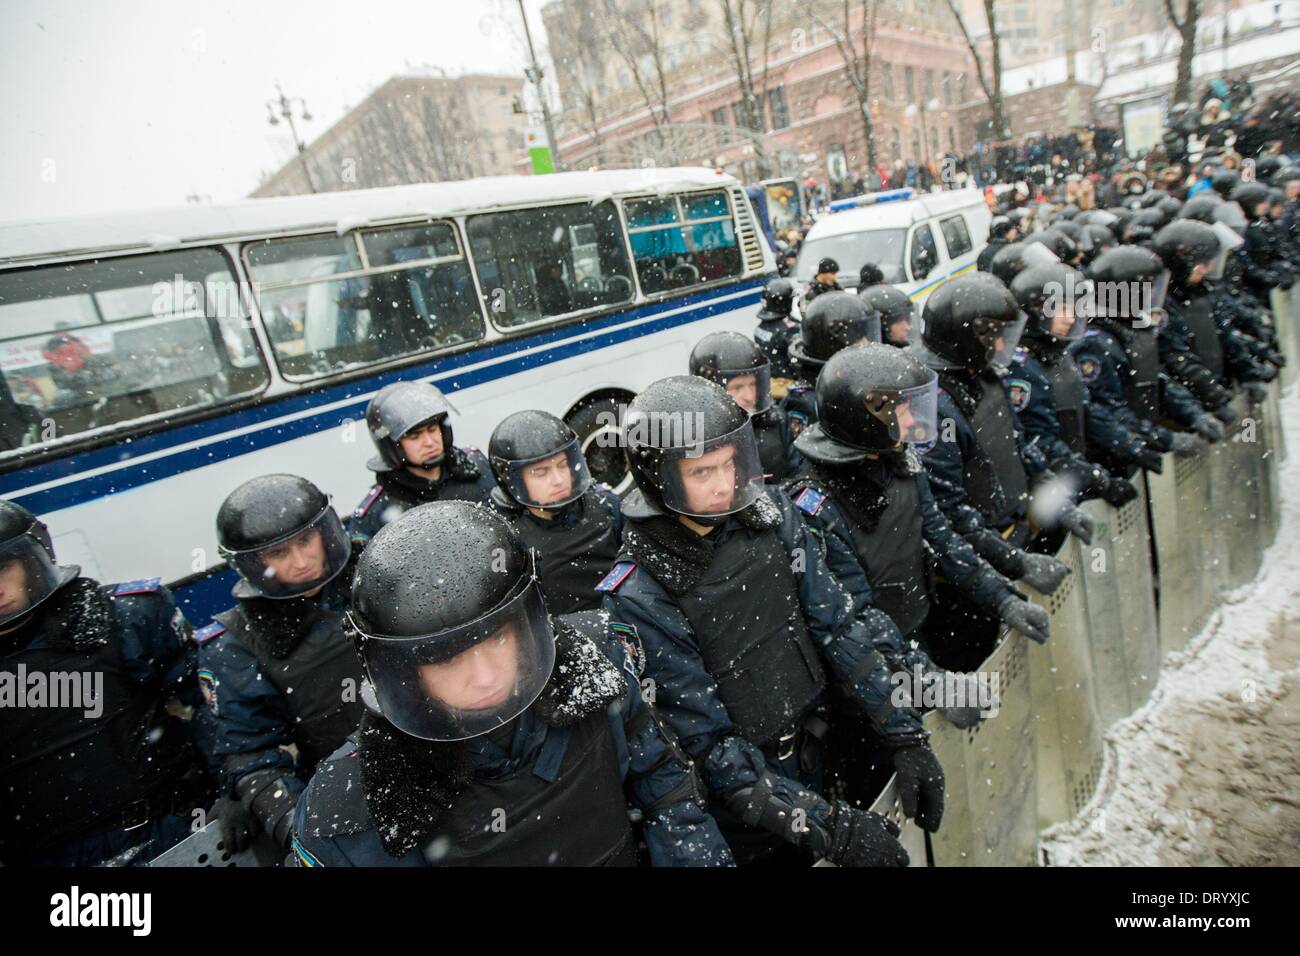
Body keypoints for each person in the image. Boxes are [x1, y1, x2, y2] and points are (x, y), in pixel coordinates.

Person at [600, 376, 936, 865]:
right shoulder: (640, 592)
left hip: (816, 750)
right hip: (748, 809)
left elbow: (839, 629)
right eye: (700, 472)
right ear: (658, 478)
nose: (722, 485)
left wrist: (904, 732)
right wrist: (829, 829)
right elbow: (709, 747)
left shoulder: (772, 516)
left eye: (729, 464)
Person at [292, 501, 734, 867]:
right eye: (447, 659)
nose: (484, 677)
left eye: (497, 638)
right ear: (403, 670)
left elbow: (666, 787)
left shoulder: (595, 665)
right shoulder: (350, 801)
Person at [784, 343, 1051, 676]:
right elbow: (851, 613)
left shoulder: (898, 461)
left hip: (913, 630)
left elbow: (942, 537)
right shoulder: (813, 505)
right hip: (869, 667)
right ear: (869, 416)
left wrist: (1001, 597)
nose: (913, 421)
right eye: (903, 410)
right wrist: (927, 682)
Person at [0, 499, 210, 866]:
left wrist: (240, 786)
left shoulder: (124, 617)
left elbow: (209, 707)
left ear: (33, 559)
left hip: (165, 834)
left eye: (3, 567)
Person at [199, 474, 364, 854]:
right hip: (348, 791)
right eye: (280, 553)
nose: (302, 561)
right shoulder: (237, 644)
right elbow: (252, 753)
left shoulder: (372, 576)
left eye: (306, 541)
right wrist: (298, 823)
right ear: (253, 564)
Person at [912, 275, 1092, 617]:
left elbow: (1019, 444)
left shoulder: (983, 373)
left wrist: (1057, 500)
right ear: (968, 338)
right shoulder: (933, 407)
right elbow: (949, 513)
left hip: (1012, 535)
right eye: (994, 337)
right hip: (975, 569)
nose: (1000, 347)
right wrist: (1013, 563)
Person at [1005, 263, 1142, 510]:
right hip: (1054, 497)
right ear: (1036, 312)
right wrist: (1098, 481)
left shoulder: (1058, 352)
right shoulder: (1023, 369)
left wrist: (1132, 444)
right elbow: (1042, 443)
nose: (1070, 318)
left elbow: (1087, 410)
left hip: (1074, 480)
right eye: (1062, 309)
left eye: (1073, 309)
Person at [1073, 246, 1225, 468]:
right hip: (1118, 459)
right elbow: (1109, 410)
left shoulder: (1130, 328)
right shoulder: (1095, 342)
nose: (1151, 297)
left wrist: (1194, 414)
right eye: (1143, 290)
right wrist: (1164, 438)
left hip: (1139, 449)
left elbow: (1155, 380)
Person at [486, 410, 622, 614]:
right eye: (540, 473)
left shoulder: (606, 505)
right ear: (512, 480)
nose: (558, 480)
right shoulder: (506, 541)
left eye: (563, 465)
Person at [347, 380, 495, 545]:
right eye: (415, 436)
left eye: (432, 429)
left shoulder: (475, 466)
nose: (429, 442)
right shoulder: (373, 515)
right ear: (392, 445)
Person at [690, 331, 802, 482]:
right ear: (711, 391)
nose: (749, 396)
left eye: (753, 384)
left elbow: (798, 472)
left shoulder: (776, 419)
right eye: (737, 387)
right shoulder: (696, 439)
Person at [783, 290, 884, 436]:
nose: (867, 342)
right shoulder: (811, 403)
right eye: (858, 336)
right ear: (834, 344)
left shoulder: (844, 386)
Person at [753, 277, 801, 392]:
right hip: (788, 385)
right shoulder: (789, 329)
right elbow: (802, 358)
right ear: (787, 301)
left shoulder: (761, 327)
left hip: (767, 382)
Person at [859, 282, 915, 348]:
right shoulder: (869, 356)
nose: (907, 327)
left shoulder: (906, 351)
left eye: (907, 319)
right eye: (898, 321)